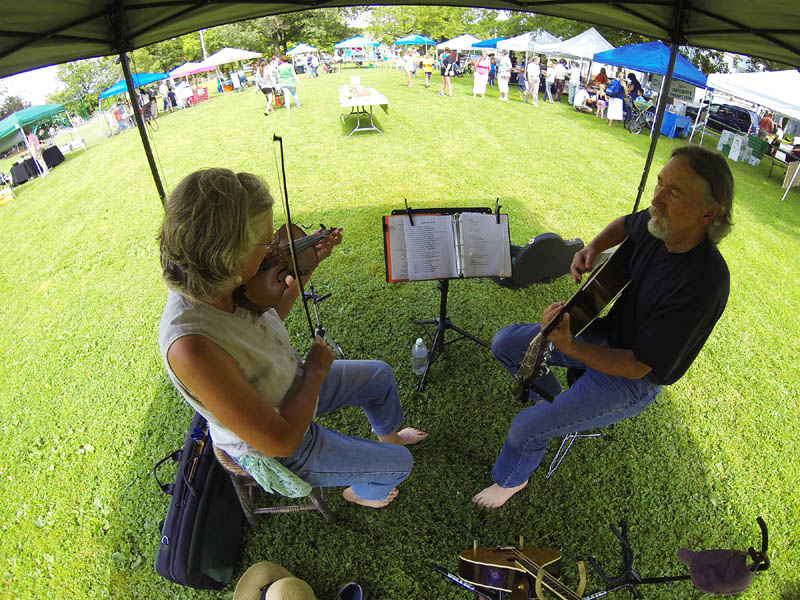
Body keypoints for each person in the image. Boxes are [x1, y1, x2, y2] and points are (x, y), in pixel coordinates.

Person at [472, 145, 734, 508]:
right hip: (608, 334)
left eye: (674, 192)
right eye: (660, 183)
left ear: (710, 213)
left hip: (631, 379)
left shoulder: (704, 283)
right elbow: (627, 223)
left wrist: (571, 347)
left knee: (525, 428)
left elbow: (640, 365)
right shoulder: (660, 223)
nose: (657, 198)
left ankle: (510, 481)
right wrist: (592, 247)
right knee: (506, 343)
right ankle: (556, 407)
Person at [158, 169, 428, 509]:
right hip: (280, 437)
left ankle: (388, 438)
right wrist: (314, 373)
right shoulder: (192, 347)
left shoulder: (224, 283)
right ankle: (361, 493)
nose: (276, 249)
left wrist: (307, 266)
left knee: (379, 375)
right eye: (266, 242)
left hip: (290, 383)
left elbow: (267, 315)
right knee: (401, 465)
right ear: (228, 256)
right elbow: (281, 440)